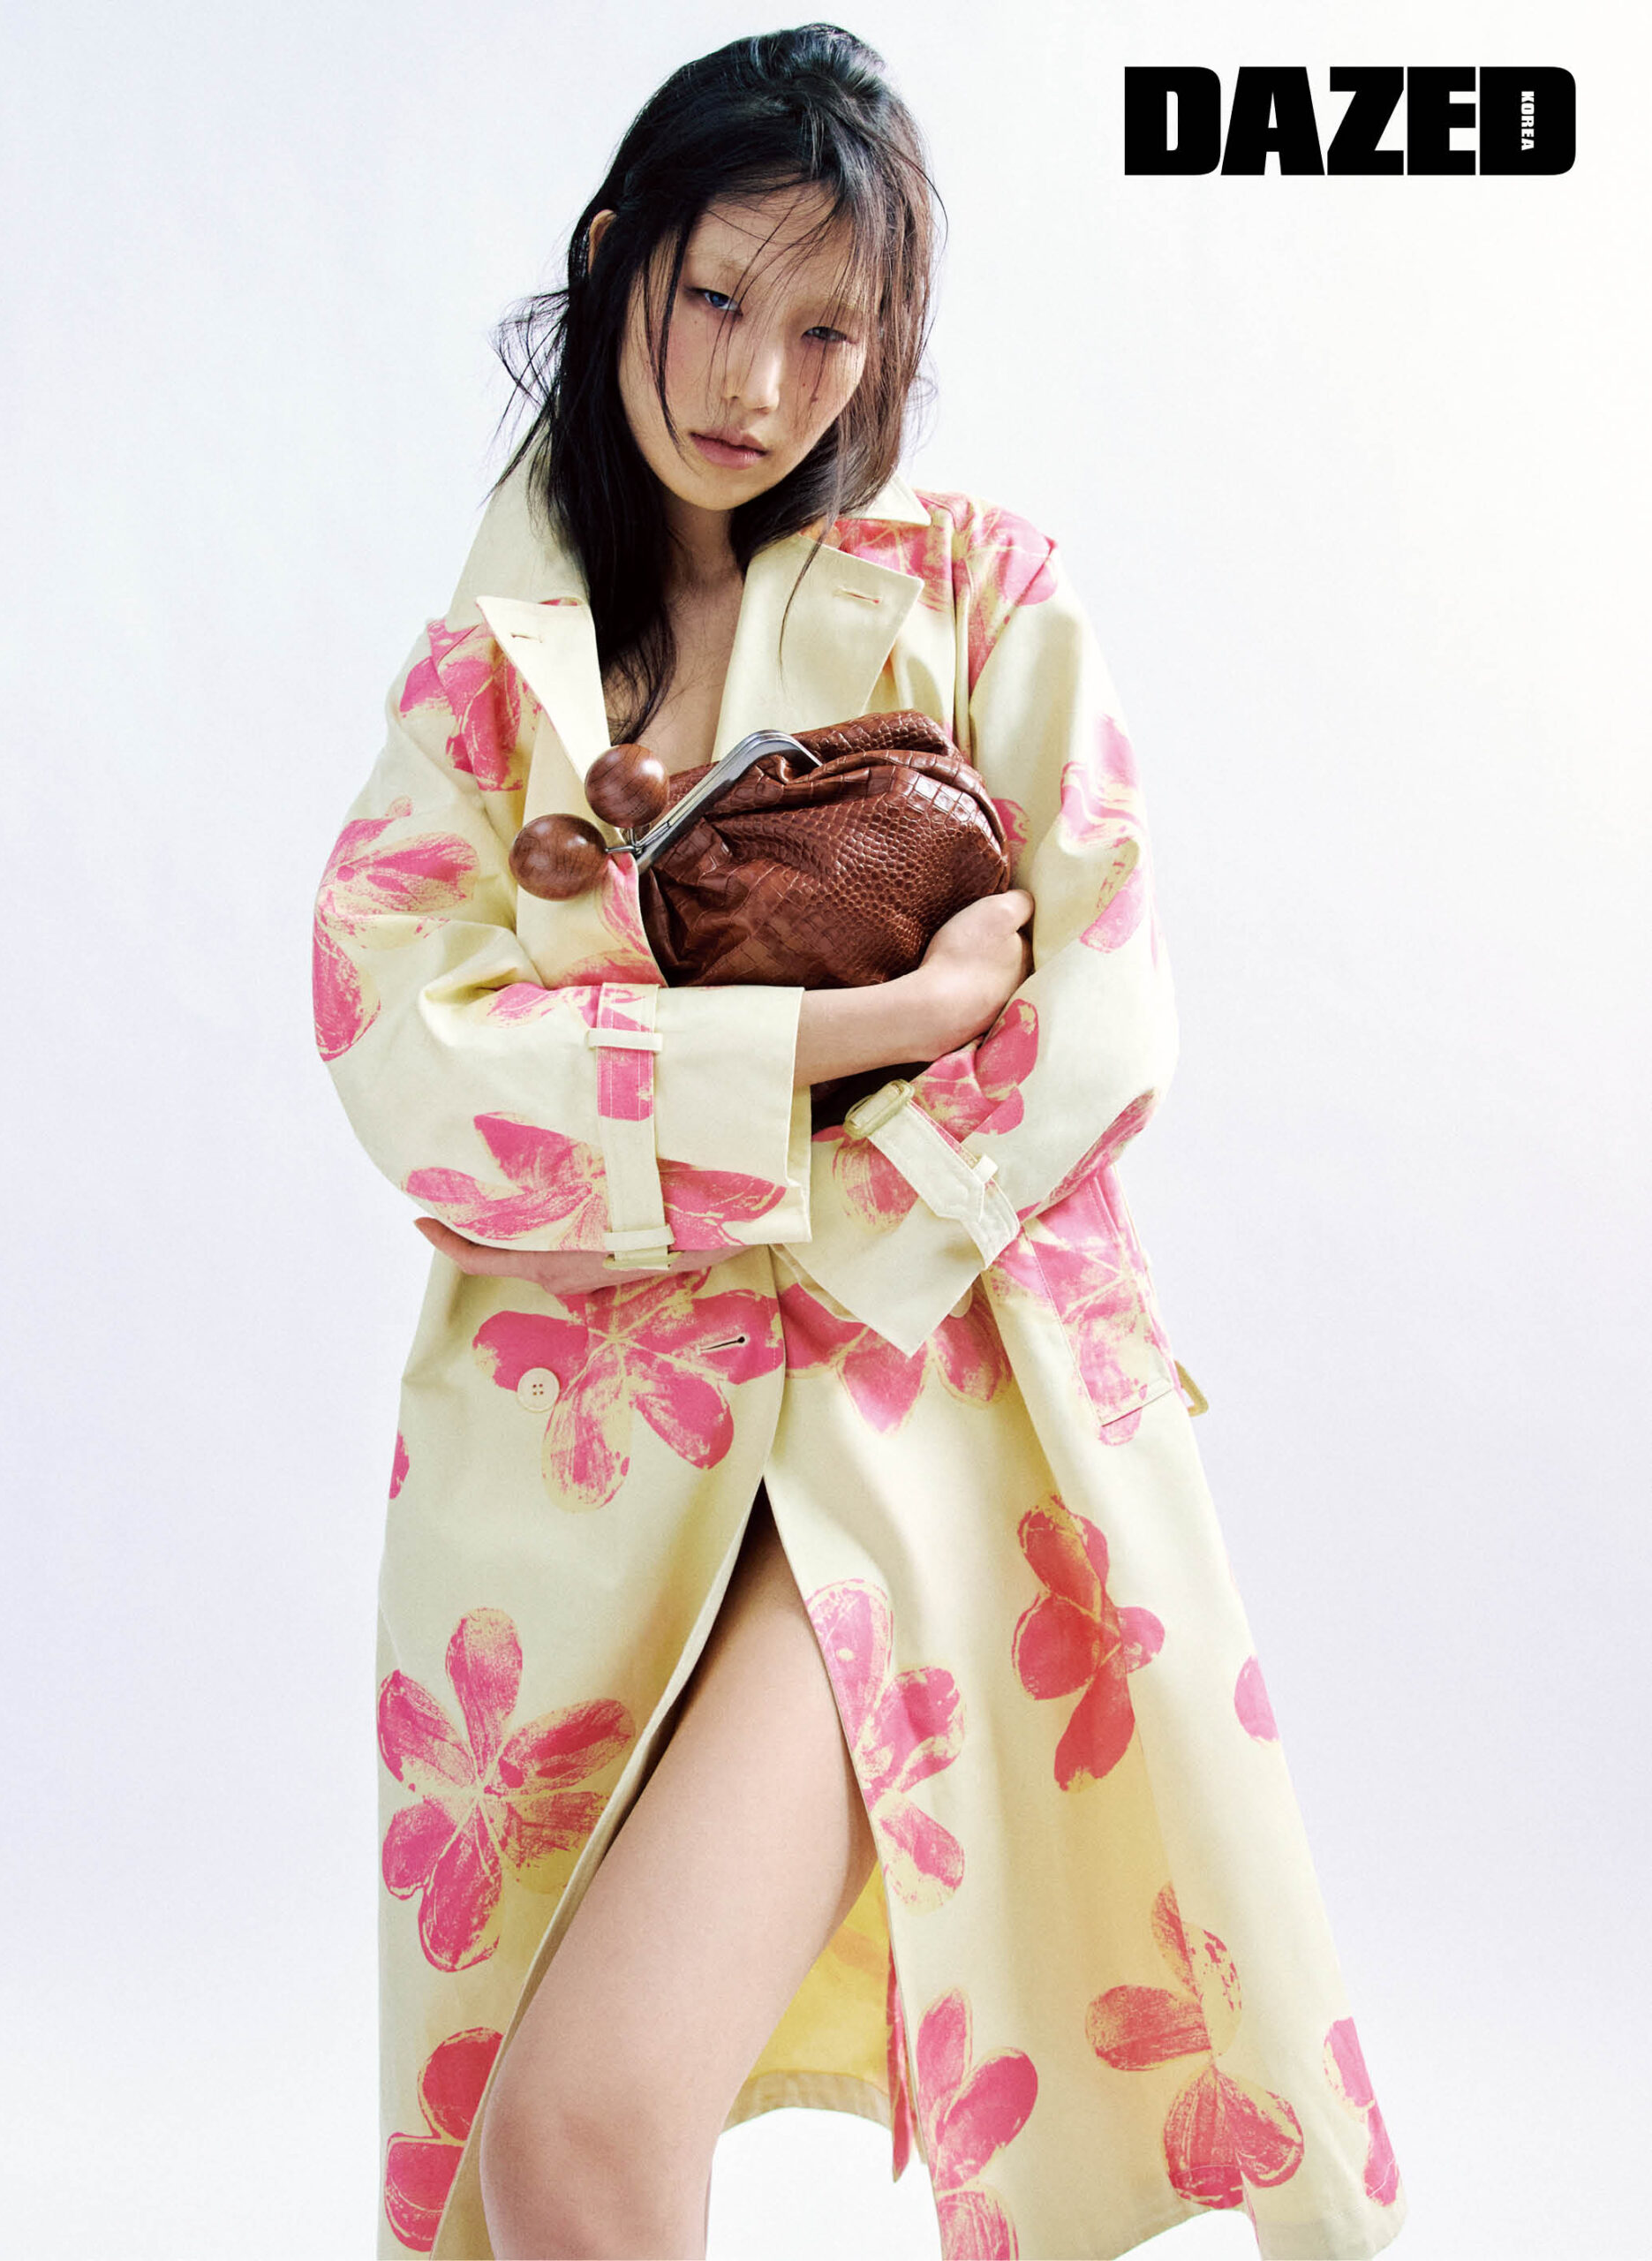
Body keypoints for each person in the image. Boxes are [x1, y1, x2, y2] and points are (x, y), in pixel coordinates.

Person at [314, 25, 1406, 2260]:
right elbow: (409, 1056)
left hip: (908, 1425)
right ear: (614, 257)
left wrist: (802, 1191)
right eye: (718, 295)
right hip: (582, 1483)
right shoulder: (487, 684)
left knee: (577, 2124)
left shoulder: (980, 588)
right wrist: (865, 1028)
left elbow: (1097, 1002)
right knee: (553, 2158)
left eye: (828, 331)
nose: (755, 380)